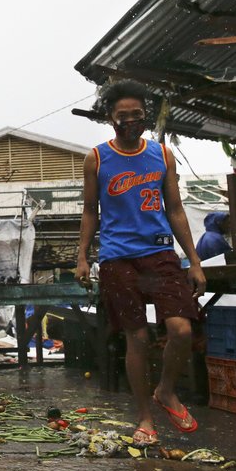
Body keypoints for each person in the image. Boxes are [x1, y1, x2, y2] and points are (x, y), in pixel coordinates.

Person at [75, 80, 207, 446]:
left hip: (160, 252)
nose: (131, 121)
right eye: (123, 116)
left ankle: (165, 391)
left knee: (180, 330)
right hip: (118, 257)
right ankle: (145, 418)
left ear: (145, 116)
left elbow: (176, 209)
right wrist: (82, 256)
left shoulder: (162, 155)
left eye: (137, 115)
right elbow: (90, 210)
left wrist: (194, 261)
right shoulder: (97, 158)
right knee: (138, 337)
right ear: (110, 118)